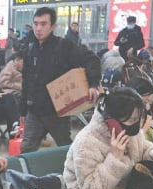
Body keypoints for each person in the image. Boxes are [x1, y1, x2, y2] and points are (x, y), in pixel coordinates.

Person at [19, 7, 101, 153]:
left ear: (53, 27)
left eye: (43, 24)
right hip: (35, 110)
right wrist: (22, 111)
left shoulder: (64, 47)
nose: (38, 28)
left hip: (57, 111)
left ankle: (70, 174)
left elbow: (91, 59)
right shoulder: (30, 50)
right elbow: (27, 81)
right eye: (36, 24)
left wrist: (93, 84)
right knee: (26, 149)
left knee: (65, 149)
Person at [0, 53, 24, 134]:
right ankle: (15, 127)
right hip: (9, 93)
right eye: (23, 61)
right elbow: (2, 83)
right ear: (17, 60)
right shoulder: (10, 68)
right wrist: (21, 86)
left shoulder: (20, 69)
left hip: (17, 92)